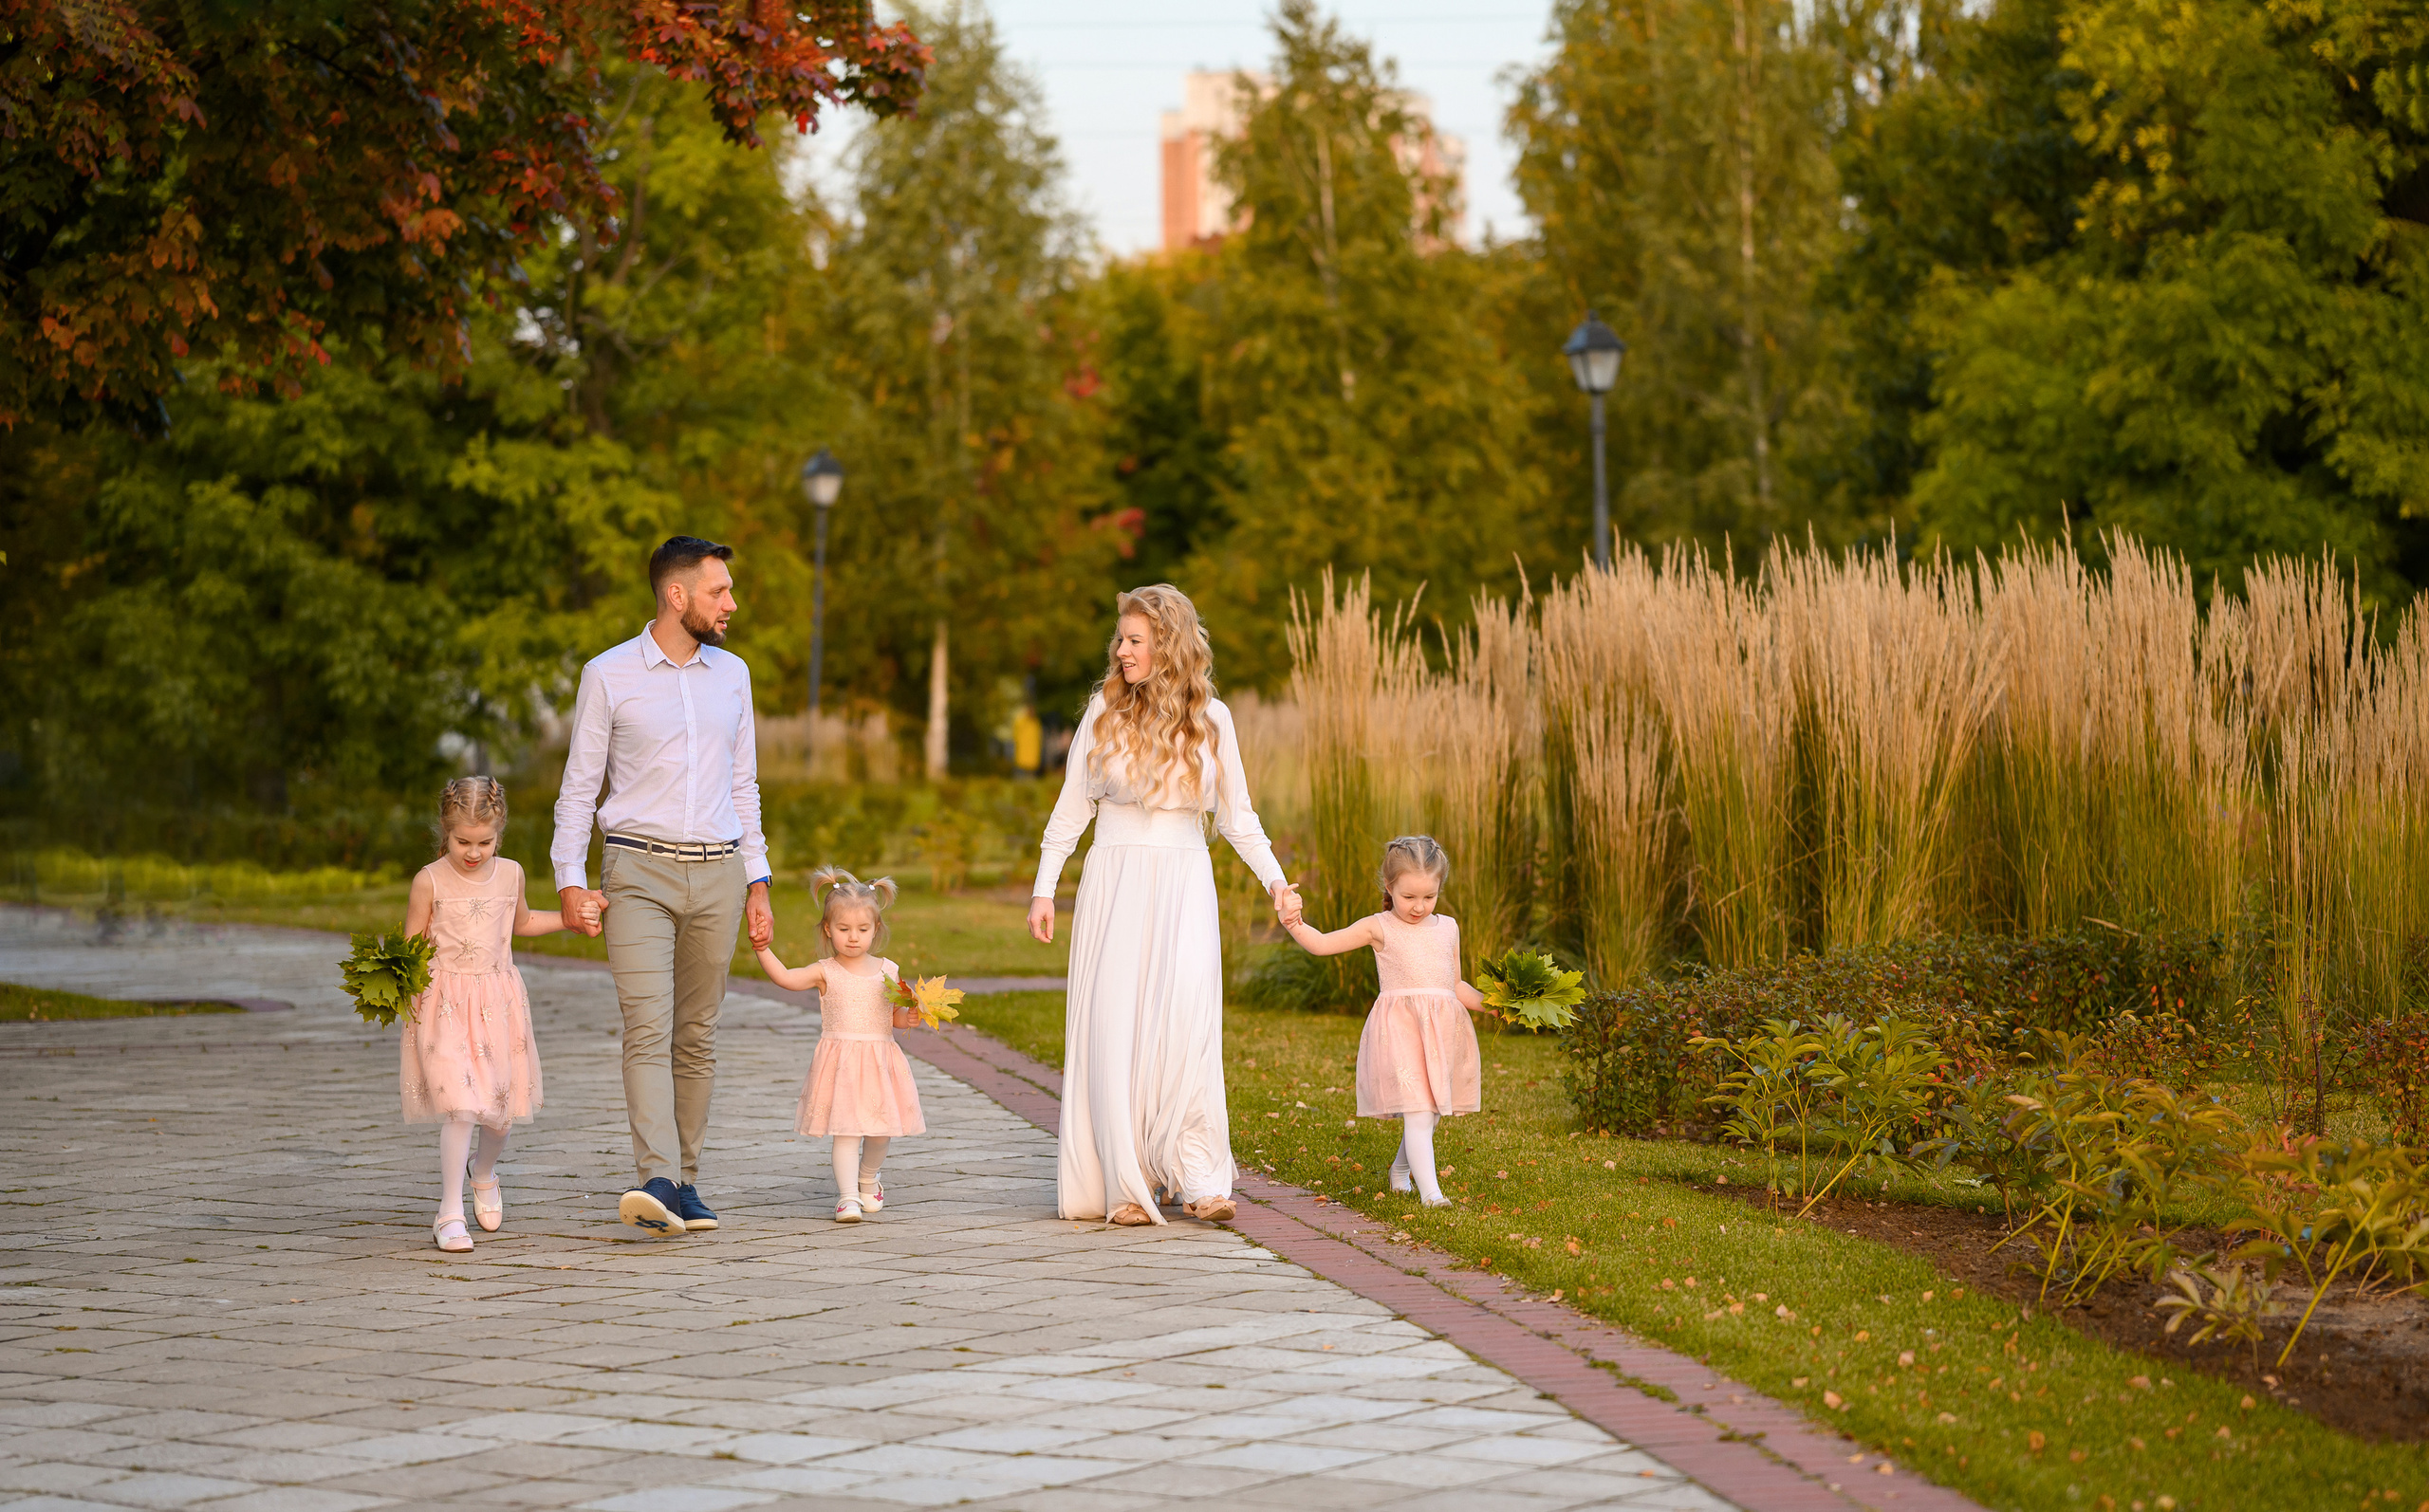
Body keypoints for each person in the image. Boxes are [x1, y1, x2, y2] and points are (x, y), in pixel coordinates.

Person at [1027, 584, 1300, 1226]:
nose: (1120, 650)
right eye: (1120, 639)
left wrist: (1277, 884)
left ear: (1168, 647)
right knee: (1118, 1028)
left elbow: (1239, 818)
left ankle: (1199, 1175)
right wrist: (1044, 888)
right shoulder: (1101, 711)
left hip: (1184, 882)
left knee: (1186, 1022)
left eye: (1133, 640)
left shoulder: (1214, 720)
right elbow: (1072, 810)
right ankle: (1127, 1182)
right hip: (1116, 880)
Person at [552, 536, 776, 1238]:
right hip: (636, 872)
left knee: (697, 1034)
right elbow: (580, 787)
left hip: (719, 872)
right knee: (647, 1028)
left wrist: (758, 881)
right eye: (720, 591)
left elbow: (745, 786)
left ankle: (686, 1182)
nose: (731, 603)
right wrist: (568, 878)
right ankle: (655, 1175)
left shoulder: (732, 675)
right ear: (677, 596)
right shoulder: (609, 674)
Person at [401, 778, 584, 1252]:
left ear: (499, 833)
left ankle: (483, 1171)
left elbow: (521, 923)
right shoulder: (430, 879)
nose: (474, 852)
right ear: (446, 831)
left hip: (497, 1003)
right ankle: (449, 1212)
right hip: (445, 1005)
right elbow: (411, 946)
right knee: (462, 1104)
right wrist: (399, 986)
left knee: (498, 1115)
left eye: (485, 842)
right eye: (463, 841)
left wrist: (567, 919)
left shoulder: (512, 874)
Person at [1279, 836, 1488, 1208]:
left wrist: (1493, 1005)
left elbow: (1454, 983)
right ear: (1390, 887)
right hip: (1402, 1031)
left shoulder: (1448, 928)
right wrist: (1295, 924)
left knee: (1432, 1113)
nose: (1419, 907)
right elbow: (1323, 944)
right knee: (1420, 1112)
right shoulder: (1379, 927)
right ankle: (1432, 1195)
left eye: (1429, 897)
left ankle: (1400, 1170)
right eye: (1409, 897)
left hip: (1440, 1031)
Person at [753, 869, 925, 1224]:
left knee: (880, 1131)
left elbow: (892, 1014)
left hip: (879, 1061)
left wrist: (906, 1018)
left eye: (862, 930)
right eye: (844, 930)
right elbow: (786, 978)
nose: (853, 938)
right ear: (829, 929)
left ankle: (868, 1177)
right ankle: (847, 1197)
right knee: (846, 1132)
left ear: (875, 930)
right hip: (843, 1064)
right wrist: (762, 949)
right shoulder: (825, 971)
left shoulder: (888, 970)